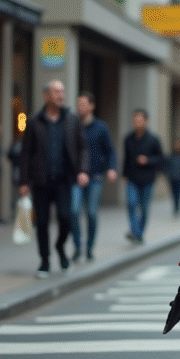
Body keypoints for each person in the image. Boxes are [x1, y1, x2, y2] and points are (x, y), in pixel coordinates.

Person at [19, 80, 89, 278]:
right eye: (56, 92)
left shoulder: (72, 119)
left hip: (64, 180)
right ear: (46, 96)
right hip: (41, 181)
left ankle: (59, 247)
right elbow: (26, 153)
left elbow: (82, 147)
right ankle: (44, 261)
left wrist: (83, 170)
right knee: (41, 222)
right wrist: (24, 182)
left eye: (62, 91)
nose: (60, 95)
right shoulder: (34, 121)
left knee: (66, 218)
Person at [70, 92, 118, 262]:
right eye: (78, 104)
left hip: (95, 176)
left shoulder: (101, 127)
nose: (79, 107)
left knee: (91, 213)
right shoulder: (73, 125)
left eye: (83, 104)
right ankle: (77, 246)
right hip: (75, 177)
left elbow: (110, 151)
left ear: (91, 106)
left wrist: (112, 168)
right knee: (74, 211)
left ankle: (89, 247)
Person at [123, 109, 163, 243]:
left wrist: (148, 160)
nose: (137, 123)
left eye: (140, 120)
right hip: (132, 178)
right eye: (135, 120)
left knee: (144, 207)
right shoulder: (128, 138)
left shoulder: (153, 139)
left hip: (147, 179)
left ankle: (139, 233)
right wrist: (124, 175)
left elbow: (161, 158)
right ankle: (135, 232)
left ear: (146, 122)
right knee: (131, 203)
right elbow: (126, 158)